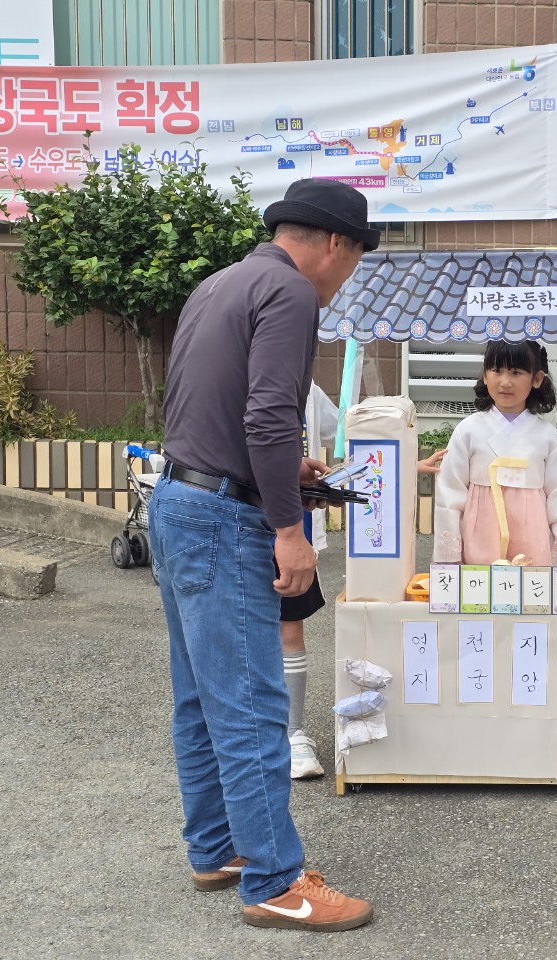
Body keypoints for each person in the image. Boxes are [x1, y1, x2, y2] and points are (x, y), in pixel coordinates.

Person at [148, 178, 379, 932]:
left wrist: (284, 473)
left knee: (201, 696)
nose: (344, 283)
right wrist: (288, 526)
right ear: (335, 245)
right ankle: (277, 882)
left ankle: (218, 849)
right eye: (352, 263)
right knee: (251, 703)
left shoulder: (219, 284)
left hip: (179, 500)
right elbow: (270, 412)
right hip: (226, 519)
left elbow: (211, 412)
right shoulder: (290, 294)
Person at [284, 385, 444, 780]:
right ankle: (260, 737)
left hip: (292, 527)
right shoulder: (234, 378)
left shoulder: (305, 390)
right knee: (243, 635)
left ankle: (293, 734)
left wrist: (406, 463)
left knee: (290, 632)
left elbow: (353, 437)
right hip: (242, 518)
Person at [433, 340, 557, 565]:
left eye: (516, 372)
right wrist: (449, 556)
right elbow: (449, 493)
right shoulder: (468, 430)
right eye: (497, 371)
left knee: (530, 594)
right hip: (480, 534)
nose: (505, 382)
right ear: (485, 375)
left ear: (537, 379)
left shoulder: (548, 436)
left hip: (532, 537)